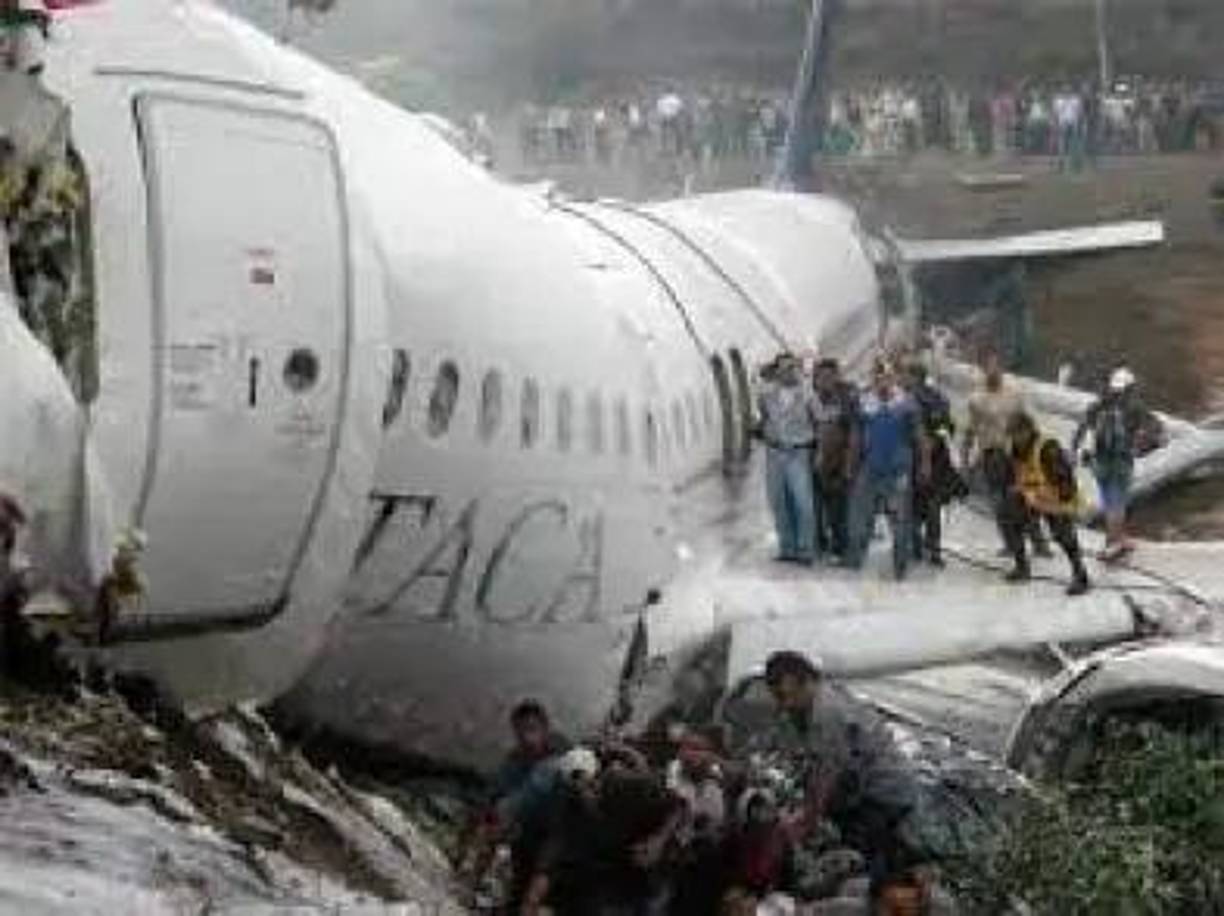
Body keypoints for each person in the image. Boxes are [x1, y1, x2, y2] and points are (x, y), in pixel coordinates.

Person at [755, 651, 921, 898]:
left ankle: (874, 897)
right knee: (878, 849)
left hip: (882, 793)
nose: (785, 705)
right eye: (779, 698)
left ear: (806, 682)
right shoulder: (821, 701)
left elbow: (826, 774)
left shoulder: (827, 713)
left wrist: (806, 821)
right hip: (886, 788)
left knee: (861, 854)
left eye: (787, 696)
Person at [522, 746, 684, 916]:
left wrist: (657, 841)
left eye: (592, 783)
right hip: (607, 874)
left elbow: (678, 805)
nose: (589, 792)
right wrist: (534, 893)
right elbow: (554, 846)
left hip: (647, 872)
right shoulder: (571, 806)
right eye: (579, 786)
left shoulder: (626, 785)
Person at [455, 699, 569, 910]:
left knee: (536, 894)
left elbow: (534, 788)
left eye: (532, 729)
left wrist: (503, 812)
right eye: (520, 732)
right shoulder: (516, 760)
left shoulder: (562, 757)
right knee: (515, 901)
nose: (527, 737)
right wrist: (469, 835)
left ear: (545, 728)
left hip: (562, 840)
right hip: (529, 838)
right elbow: (491, 795)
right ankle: (471, 887)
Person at [960, 350, 1049, 558]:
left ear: (1001, 369)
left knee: (1026, 498)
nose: (993, 371)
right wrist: (964, 461)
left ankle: (1039, 543)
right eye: (988, 367)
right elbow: (970, 431)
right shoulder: (977, 398)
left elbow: (1030, 422)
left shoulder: (1014, 392)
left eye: (996, 366)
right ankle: (1011, 543)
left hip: (1016, 453)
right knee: (999, 503)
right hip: (992, 455)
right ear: (983, 371)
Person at [1072, 367, 1163, 562]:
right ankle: (1112, 544)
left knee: (1108, 501)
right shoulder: (1134, 407)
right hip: (1121, 461)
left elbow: (1081, 431)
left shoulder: (1096, 406)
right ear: (1129, 387)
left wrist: (1077, 453)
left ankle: (1119, 539)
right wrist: (1142, 445)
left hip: (1099, 462)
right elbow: (1156, 427)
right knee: (1118, 503)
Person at [848, 360, 928, 580]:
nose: (882, 380)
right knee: (859, 520)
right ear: (873, 378)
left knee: (901, 523)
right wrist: (850, 465)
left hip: (898, 471)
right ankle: (855, 563)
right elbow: (855, 437)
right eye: (878, 376)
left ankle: (900, 568)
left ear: (893, 378)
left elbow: (920, 437)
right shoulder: (864, 401)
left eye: (887, 376)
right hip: (870, 469)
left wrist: (924, 464)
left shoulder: (907, 402)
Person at [1002, 412, 1090, 596]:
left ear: (1028, 430)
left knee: (1064, 536)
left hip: (1057, 499)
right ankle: (1022, 568)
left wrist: (1064, 505)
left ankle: (1080, 576)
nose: (1015, 439)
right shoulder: (1014, 449)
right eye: (1012, 435)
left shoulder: (1048, 447)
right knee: (1009, 517)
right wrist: (1019, 490)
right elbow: (1017, 475)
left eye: (1018, 434)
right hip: (1033, 497)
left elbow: (1065, 479)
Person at [758, 353, 818, 565]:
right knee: (778, 501)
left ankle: (806, 549)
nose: (788, 372)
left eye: (792, 368)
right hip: (774, 453)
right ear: (777, 371)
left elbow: (819, 421)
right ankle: (787, 547)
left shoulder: (808, 394)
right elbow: (763, 418)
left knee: (803, 502)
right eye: (783, 368)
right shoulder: (767, 395)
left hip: (798, 452)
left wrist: (818, 452)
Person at [903, 363, 964, 567]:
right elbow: (948, 428)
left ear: (915, 377)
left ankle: (927, 548)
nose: (904, 379)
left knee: (925, 505)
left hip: (927, 459)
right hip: (925, 458)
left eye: (907, 375)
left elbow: (944, 428)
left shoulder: (927, 399)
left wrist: (930, 444)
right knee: (925, 506)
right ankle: (925, 547)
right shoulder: (934, 398)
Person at [811, 359, 861, 561]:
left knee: (838, 507)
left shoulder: (846, 401)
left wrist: (849, 465)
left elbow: (854, 434)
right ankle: (820, 543)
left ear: (837, 377)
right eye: (821, 377)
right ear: (815, 379)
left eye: (830, 377)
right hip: (814, 462)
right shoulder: (810, 400)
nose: (826, 381)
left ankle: (841, 547)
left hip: (839, 462)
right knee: (815, 506)